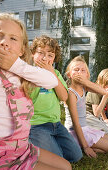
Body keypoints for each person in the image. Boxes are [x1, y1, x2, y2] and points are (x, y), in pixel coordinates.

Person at [0, 13, 71, 170]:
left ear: (22, 49)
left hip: (22, 149)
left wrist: (14, 65)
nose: (4, 42)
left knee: (66, 166)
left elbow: (51, 81)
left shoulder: (21, 71)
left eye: (13, 38)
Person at [29, 35, 82, 163]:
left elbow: (64, 97)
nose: (45, 58)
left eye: (50, 55)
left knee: (76, 156)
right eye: (40, 53)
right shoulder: (28, 73)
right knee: (58, 159)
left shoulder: (56, 74)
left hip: (56, 124)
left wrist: (52, 73)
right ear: (32, 54)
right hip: (37, 125)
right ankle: (30, 146)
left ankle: (46, 145)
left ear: (54, 58)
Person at [64, 56, 108, 158]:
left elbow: (105, 93)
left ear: (87, 75)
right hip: (75, 131)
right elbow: (75, 124)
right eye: (76, 70)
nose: (79, 72)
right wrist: (86, 147)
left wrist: (86, 82)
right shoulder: (71, 93)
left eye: (83, 70)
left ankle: (86, 146)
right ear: (69, 75)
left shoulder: (84, 87)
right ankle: (82, 146)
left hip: (85, 128)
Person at [85, 68, 108, 139]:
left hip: (97, 119)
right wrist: (105, 97)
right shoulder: (94, 91)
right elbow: (96, 114)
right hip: (88, 117)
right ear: (101, 82)